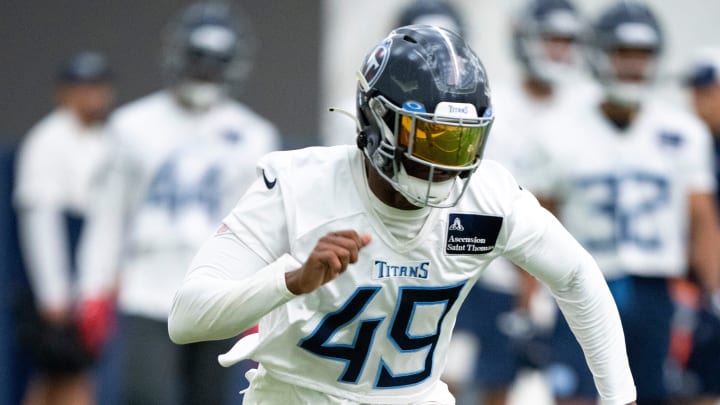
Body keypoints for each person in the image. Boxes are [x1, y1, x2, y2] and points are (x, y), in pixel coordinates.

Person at [168, 25, 637, 405]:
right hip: (297, 398)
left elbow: (576, 277)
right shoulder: (297, 183)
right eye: (427, 136)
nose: (444, 162)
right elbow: (187, 318)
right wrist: (290, 280)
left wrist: (621, 399)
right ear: (376, 120)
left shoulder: (487, 197)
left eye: (459, 141)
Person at [77, 3, 280, 404]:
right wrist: (92, 288)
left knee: (209, 397)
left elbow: (260, 228)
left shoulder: (253, 134)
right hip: (148, 285)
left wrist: (260, 301)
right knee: (143, 395)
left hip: (217, 287)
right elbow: (109, 215)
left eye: (215, 61)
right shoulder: (133, 125)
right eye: (198, 59)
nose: (205, 72)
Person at [521, 3, 720, 404]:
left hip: (656, 291)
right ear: (598, 53)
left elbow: (701, 220)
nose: (633, 65)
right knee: (575, 396)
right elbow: (534, 224)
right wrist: (531, 298)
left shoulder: (681, 132)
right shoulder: (558, 130)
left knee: (656, 396)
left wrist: (715, 292)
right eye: (623, 52)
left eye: (642, 55)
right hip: (579, 286)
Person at [444, 1, 589, 403]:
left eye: (566, 40)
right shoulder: (492, 104)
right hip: (490, 270)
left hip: (569, 273)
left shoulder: (587, 107)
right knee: (466, 378)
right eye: (550, 39)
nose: (558, 50)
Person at [13, 51, 114, 405]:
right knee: (54, 373)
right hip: (52, 279)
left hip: (86, 277)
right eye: (82, 87)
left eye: (98, 87)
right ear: (64, 92)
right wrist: (52, 292)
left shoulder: (105, 139)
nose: (92, 96)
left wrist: (98, 284)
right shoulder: (48, 140)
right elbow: (40, 220)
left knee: (70, 372)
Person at [320, 0, 466, 147]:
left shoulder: (480, 108)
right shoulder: (353, 114)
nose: (437, 61)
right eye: (424, 49)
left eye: (445, 48)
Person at [677, 47, 720, 404]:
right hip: (695, 288)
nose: (700, 100)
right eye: (697, 90)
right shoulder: (686, 143)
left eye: (709, 90)